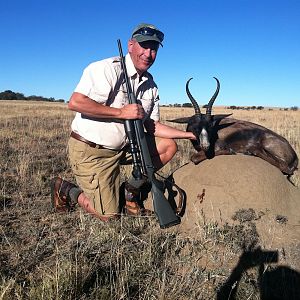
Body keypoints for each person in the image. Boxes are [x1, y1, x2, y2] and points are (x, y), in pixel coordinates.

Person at [51, 23, 195, 222]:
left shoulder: (150, 85)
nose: (148, 53)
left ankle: (131, 190)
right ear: (130, 45)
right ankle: (66, 188)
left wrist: (187, 134)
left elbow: (151, 125)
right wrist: (120, 112)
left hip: (125, 148)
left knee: (168, 146)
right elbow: (76, 102)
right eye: (144, 46)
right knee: (109, 216)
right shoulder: (106, 69)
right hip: (92, 151)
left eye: (154, 49)